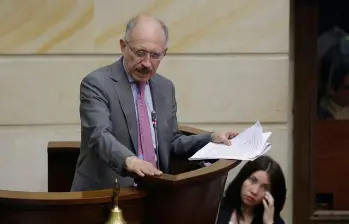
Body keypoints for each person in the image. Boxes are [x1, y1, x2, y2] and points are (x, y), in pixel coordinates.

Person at [70, 15, 238, 191]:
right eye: (140, 53)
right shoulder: (97, 83)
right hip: (106, 195)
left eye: (155, 55)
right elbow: (98, 135)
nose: (147, 63)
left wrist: (211, 139)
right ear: (123, 46)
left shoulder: (165, 88)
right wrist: (130, 161)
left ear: (164, 53)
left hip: (153, 193)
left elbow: (172, 141)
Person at [216, 155, 286, 224]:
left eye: (265, 187)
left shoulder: (274, 221)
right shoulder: (217, 209)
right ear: (243, 178)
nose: (254, 191)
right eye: (252, 180)